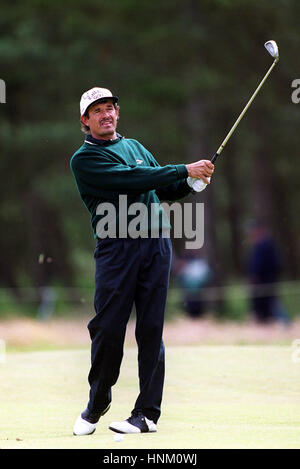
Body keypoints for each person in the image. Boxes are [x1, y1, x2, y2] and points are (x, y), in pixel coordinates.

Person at [70, 87, 214, 436]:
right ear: (85, 121)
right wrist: (184, 167)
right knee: (108, 329)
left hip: (156, 245)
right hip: (116, 249)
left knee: (151, 329)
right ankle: (98, 399)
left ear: (118, 113)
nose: (106, 114)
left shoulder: (135, 146)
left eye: (110, 108)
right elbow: (131, 181)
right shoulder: (84, 160)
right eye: (97, 111)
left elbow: (160, 189)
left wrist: (192, 183)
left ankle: (147, 413)